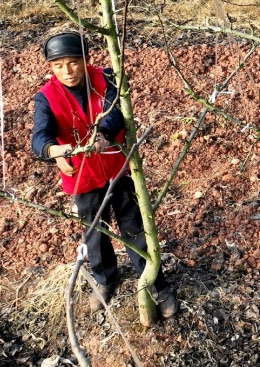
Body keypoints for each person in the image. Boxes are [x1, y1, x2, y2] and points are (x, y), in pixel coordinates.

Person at [31, 32, 178, 318]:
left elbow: (117, 113)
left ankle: (154, 283)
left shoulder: (107, 78)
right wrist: (55, 152)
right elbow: (39, 138)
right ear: (50, 67)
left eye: (73, 63)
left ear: (86, 60)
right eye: (58, 66)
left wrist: (104, 133)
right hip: (82, 178)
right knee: (94, 231)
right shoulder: (46, 97)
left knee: (134, 225)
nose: (67, 71)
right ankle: (104, 278)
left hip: (117, 169)